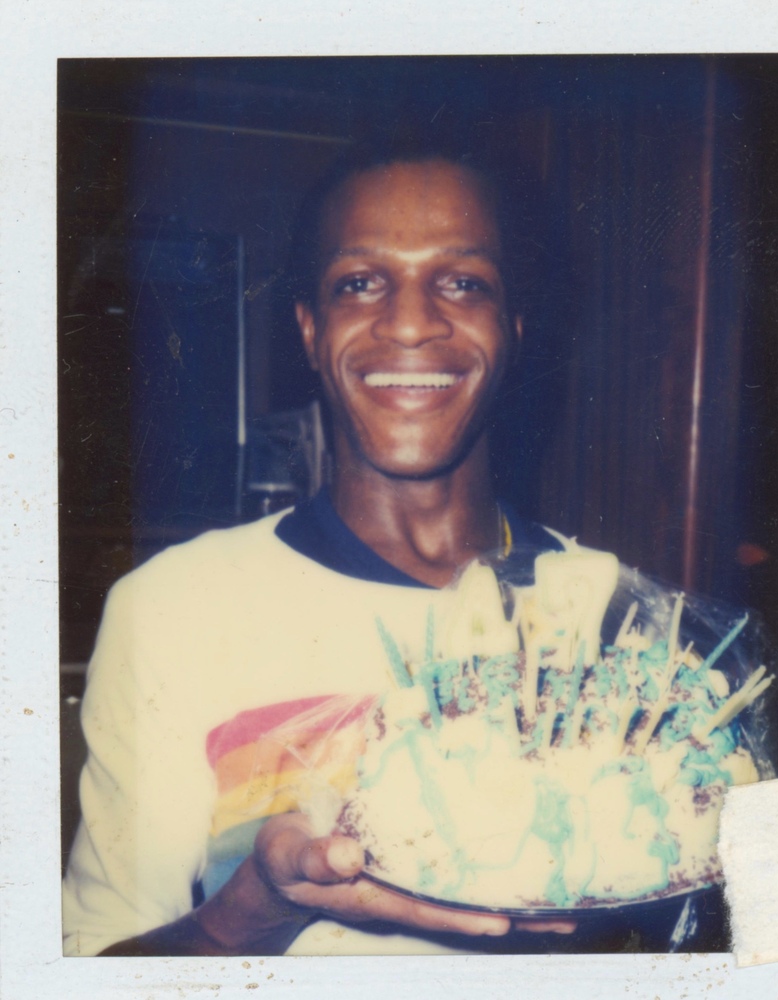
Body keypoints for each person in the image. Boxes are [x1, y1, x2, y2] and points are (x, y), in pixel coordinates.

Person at [62, 139, 576, 957]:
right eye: (360, 283)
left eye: (462, 282)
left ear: (512, 328)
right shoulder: (175, 609)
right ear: (309, 330)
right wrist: (256, 908)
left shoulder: (614, 615)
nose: (410, 322)